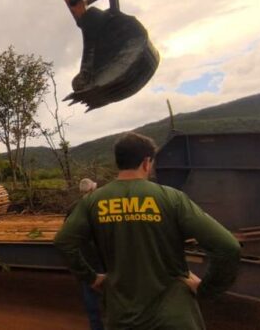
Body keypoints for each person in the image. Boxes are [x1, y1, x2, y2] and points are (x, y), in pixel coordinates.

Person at [54, 132, 241, 330]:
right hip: (174, 316)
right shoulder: (172, 198)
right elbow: (228, 247)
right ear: (146, 162)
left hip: (122, 317)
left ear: (119, 161)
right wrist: (206, 290)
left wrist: (91, 278)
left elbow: (64, 242)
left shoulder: (93, 201)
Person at [71, 178, 105, 330]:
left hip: (86, 258)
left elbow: (66, 238)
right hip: (102, 258)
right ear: (92, 190)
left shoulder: (73, 209)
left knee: (91, 294)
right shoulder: (101, 207)